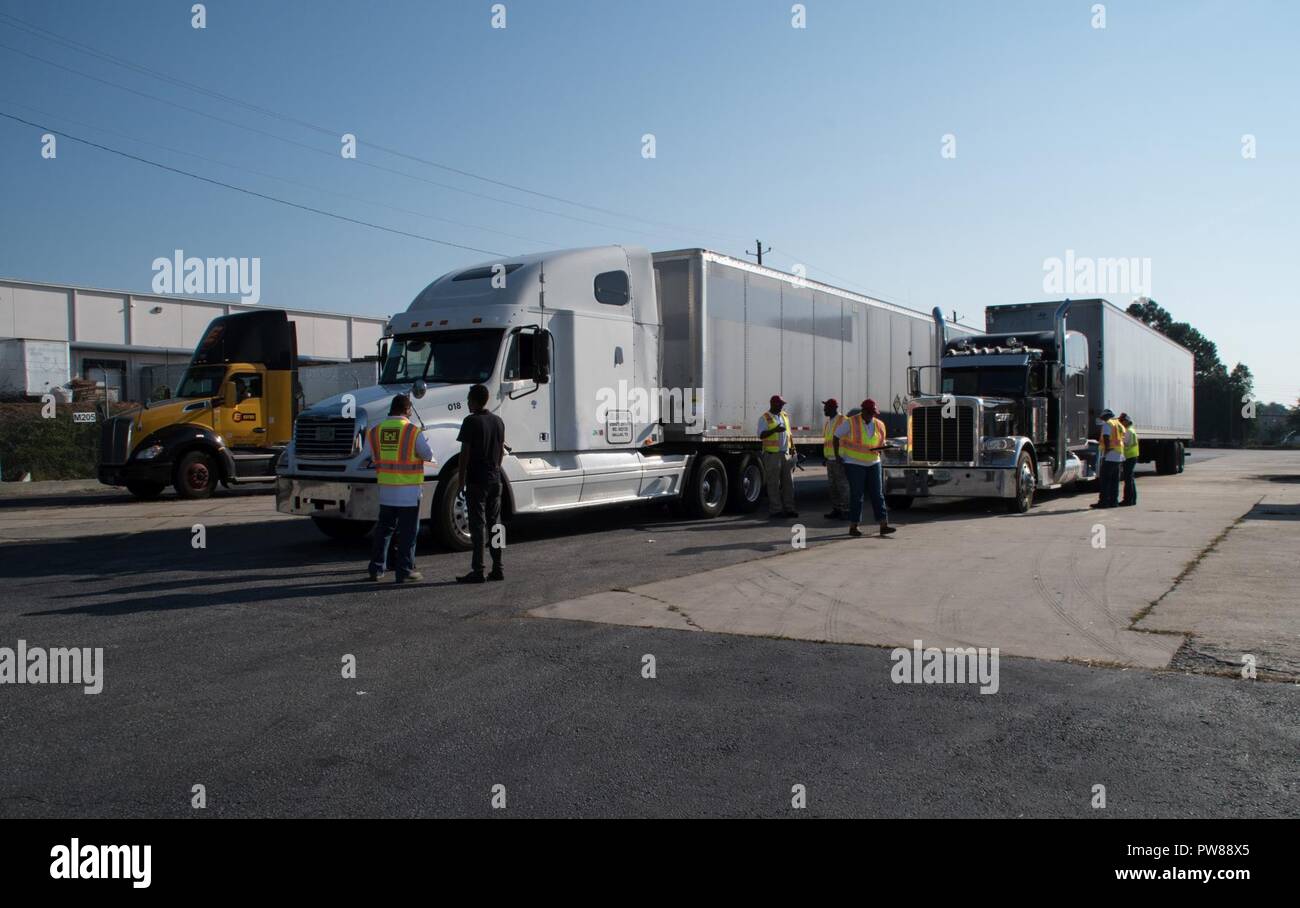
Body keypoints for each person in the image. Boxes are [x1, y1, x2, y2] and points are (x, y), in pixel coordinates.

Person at [367, 394, 435, 583]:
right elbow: (427, 454)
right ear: (406, 410)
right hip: (409, 491)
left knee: (383, 530)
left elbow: (375, 457)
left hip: (386, 490)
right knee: (408, 532)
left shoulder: (375, 431)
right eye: (410, 410)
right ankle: (404, 569)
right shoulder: (413, 431)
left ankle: (376, 568)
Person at [455, 383, 506, 583]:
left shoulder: (470, 422)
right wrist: (495, 469)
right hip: (495, 479)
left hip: (477, 480)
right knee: (496, 524)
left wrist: (460, 481)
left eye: (469, 399)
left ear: (475, 401)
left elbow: (464, 454)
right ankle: (499, 567)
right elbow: (501, 450)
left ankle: (478, 569)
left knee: (478, 526)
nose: (467, 403)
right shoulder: (498, 421)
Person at [835, 398, 896, 537]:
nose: (872, 415)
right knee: (857, 495)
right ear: (863, 411)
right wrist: (838, 456)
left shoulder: (879, 424)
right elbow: (836, 436)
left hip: (874, 462)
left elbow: (881, 442)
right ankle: (853, 526)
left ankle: (883, 525)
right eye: (869, 413)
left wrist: (886, 448)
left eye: (873, 413)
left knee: (877, 494)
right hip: (854, 463)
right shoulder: (851, 422)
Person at [757, 394, 797, 518]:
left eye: (783, 405)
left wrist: (793, 452)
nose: (782, 407)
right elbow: (761, 435)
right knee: (773, 483)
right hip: (772, 455)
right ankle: (776, 510)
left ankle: (789, 508)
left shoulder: (784, 416)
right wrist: (774, 430)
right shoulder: (765, 418)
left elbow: (789, 435)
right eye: (780, 404)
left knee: (788, 483)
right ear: (773, 404)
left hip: (786, 454)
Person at [1091, 408, 1125, 509]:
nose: (1102, 419)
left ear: (1106, 416)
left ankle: (1104, 502)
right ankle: (1113, 501)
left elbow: (1106, 437)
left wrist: (1106, 451)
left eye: (1103, 417)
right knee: (1114, 481)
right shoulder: (1118, 424)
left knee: (1105, 480)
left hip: (1110, 455)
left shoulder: (1108, 424)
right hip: (1118, 455)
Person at [821, 398, 848, 519]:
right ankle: (837, 509)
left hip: (840, 459)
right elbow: (827, 441)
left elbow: (848, 440)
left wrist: (841, 456)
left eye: (826, 407)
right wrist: (826, 457)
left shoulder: (843, 421)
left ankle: (846, 510)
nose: (824, 409)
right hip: (830, 460)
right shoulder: (828, 422)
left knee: (842, 485)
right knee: (832, 486)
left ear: (833, 408)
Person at [1119, 413, 1139, 507]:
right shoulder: (1132, 430)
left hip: (1129, 457)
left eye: (1122, 421)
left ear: (1126, 421)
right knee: (1130, 479)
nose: (1121, 423)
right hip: (1132, 456)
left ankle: (1128, 500)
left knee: (1128, 479)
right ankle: (1132, 499)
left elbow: (1125, 443)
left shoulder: (1128, 431)